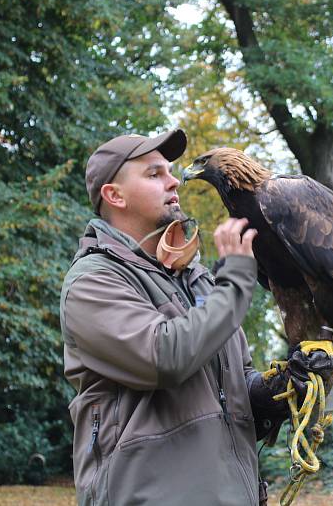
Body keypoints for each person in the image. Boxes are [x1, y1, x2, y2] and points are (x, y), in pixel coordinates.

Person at [60, 129, 287, 505]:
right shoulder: (92, 280)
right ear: (114, 196)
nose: (173, 181)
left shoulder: (197, 278)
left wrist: (274, 391)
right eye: (154, 174)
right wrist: (236, 279)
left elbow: (233, 380)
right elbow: (165, 357)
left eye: (170, 171)